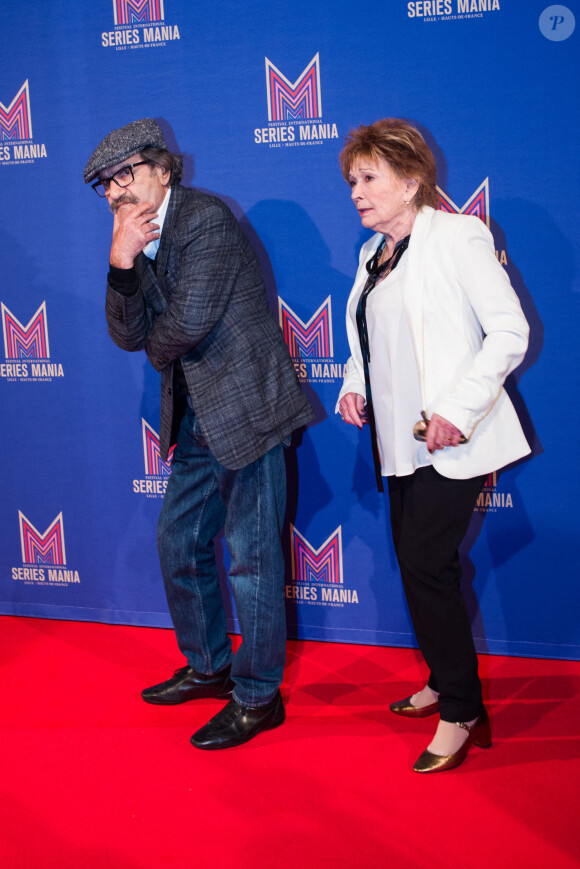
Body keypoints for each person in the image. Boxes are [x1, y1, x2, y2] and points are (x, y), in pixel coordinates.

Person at [84, 118, 314, 750]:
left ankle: (258, 695)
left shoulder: (205, 218)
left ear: (163, 169)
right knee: (178, 544)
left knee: (253, 560)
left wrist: (156, 349)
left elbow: (183, 324)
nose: (114, 192)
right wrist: (120, 262)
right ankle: (210, 665)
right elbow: (124, 334)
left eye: (124, 175)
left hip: (247, 410)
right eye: (106, 183)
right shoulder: (133, 234)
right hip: (192, 419)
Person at [337, 119, 530, 773]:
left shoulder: (458, 236)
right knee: (419, 563)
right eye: (353, 181)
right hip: (397, 443)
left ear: (412, 180)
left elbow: (509, 332)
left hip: (454, 438)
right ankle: (443, 679)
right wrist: (352, 383)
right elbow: (368, 336)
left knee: (426, 561)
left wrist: (456, 409)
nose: (357, 193)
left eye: (369, 178)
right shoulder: (373, 254)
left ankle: (462, 709)